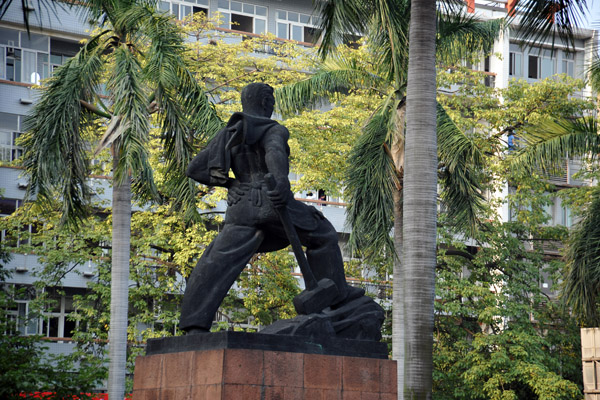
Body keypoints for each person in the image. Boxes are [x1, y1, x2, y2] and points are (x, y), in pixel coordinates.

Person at [179, 83, 360, 334]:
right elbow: (274, 151)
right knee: (324, 235)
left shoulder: (228, 132)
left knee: (218, 259)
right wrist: (281, 180)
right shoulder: (273, 129)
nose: (273, 104)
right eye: (271, 100)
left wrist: (231, 183)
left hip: (241, 206)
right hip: (271, 201)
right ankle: (337, 297)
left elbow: (195, 169)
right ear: (265, 103)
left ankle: (193, 324)